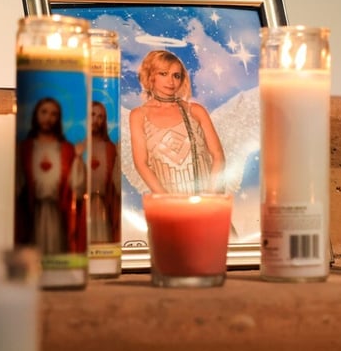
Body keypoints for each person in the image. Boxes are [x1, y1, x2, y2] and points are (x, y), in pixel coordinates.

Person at [129, 50, 225, 195]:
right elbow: (141, 164)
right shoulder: (139, 115)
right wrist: (166, 200)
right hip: (167, 206)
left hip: (206, 203)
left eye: (176, 75)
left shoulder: (196, 111)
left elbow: (218, 156)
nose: (171, 81)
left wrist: (210, 196)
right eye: (163, 73)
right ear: (150, 75)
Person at [15, 97, 85, 254]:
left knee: (57, 248)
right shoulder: (25, 148)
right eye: (44, 112)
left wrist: (78, 158)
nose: (48, 118)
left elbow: (76, 187)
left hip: (57, 212)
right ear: (36, 115)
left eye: (53, 114)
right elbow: (18, 184)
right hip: (32, 213)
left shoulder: (66, 149)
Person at [78, 101, 120, 243]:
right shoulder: (77, 147)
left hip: (103, 207)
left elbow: (115, 185)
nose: (96, 120)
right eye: (92, 114)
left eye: (100, 116)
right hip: (81, 208)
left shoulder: (110, 148)